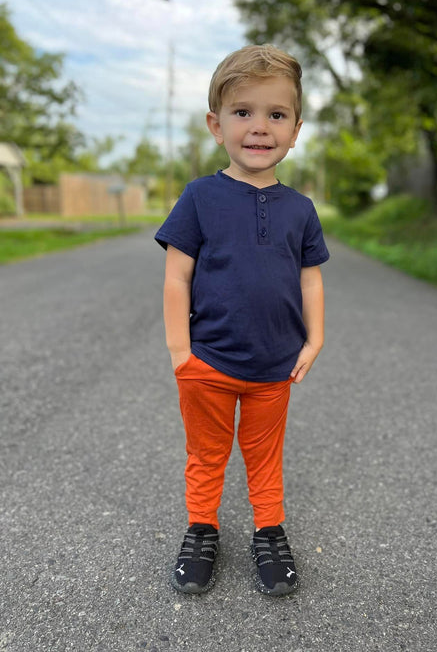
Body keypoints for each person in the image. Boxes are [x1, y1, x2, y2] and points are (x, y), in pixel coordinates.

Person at [155, 44, 329, 596]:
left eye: (276, 115)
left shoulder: (299, 208)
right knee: (207, 453)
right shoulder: (201, 197)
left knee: (264, 454)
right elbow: (176, 277)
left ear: (296, 129)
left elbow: (310, 279)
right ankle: (202, 528)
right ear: (216, 124)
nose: (259, 127)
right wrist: (181, 353)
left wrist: (315, 338)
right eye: (243, 112)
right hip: (207, 362)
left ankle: (269, 530)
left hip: (275, 365)